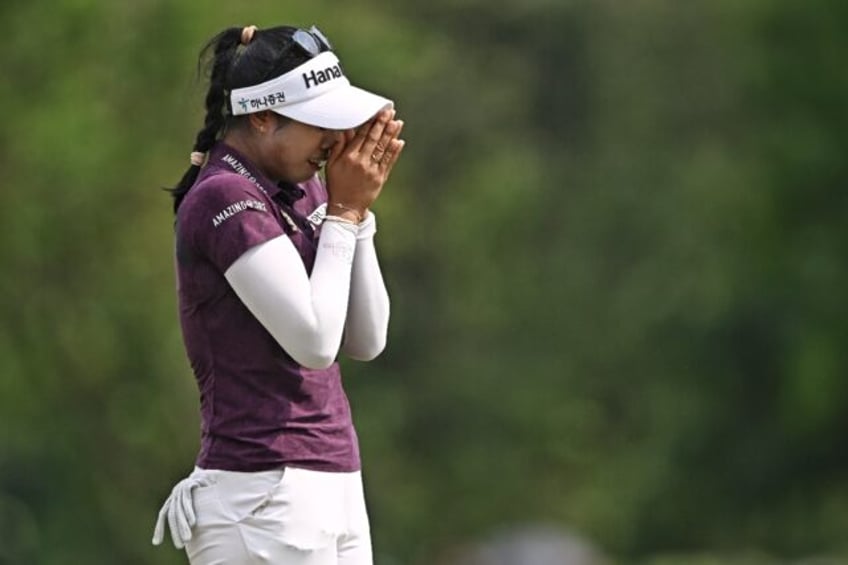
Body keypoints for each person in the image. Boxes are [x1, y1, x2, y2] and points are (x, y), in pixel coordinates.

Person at [151, 23, 404, 565]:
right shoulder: (224, 196)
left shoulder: (306, 190)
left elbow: (366, 337)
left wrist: (357, 218)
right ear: (263, 118)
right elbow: (313, 341)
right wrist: (342, 213)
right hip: (261, 492)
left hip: (329, 483)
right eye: (321, 125)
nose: (335, 142)